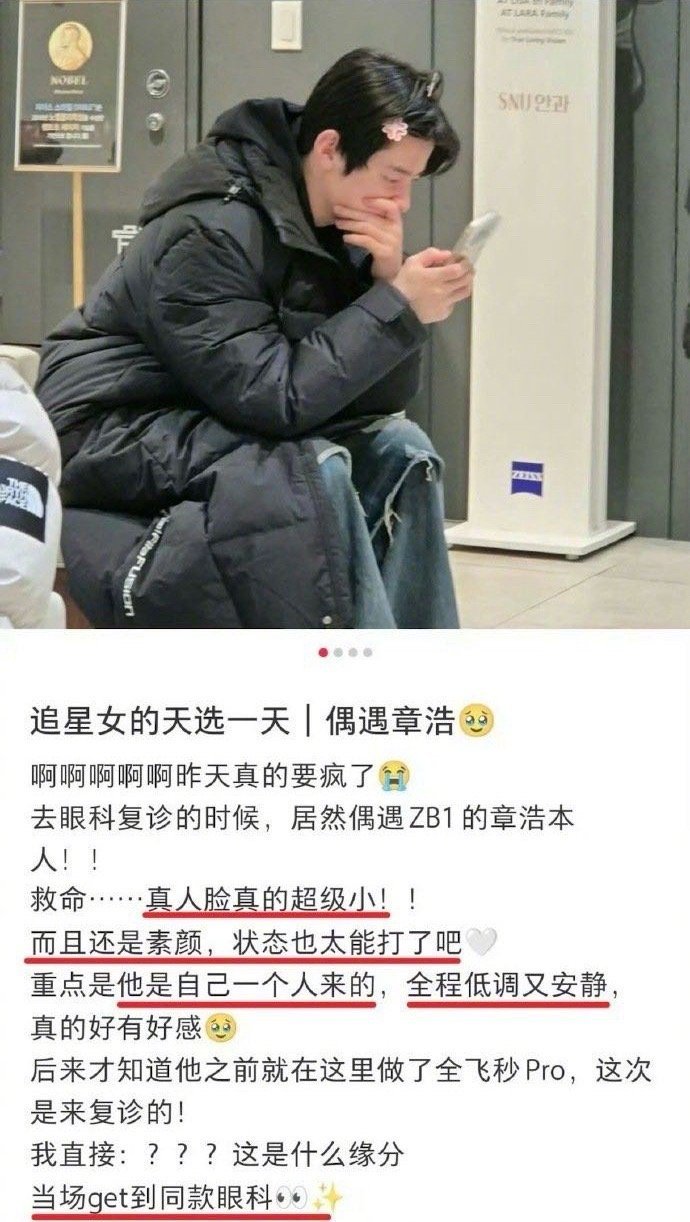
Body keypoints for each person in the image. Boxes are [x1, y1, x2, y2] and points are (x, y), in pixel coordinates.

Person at [36, 47, 474, 628]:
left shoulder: (338, 222)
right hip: (114, 424)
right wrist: (395, 308)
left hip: (207, 409)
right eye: (394, 177)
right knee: (309, 473)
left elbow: (375, 403)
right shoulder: (209, 230)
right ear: (329, 149)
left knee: (402, 449)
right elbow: (274, 399)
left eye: (411, 182)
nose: (402, 202)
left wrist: (384, 284)